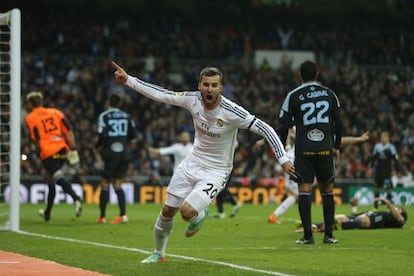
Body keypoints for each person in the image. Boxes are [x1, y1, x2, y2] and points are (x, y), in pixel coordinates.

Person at [111, 61, 295, 263]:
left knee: (187, 211)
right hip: (192, 163)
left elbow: (267, 129)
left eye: (214, 85)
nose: (209, 89)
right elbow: (162, 94)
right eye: (206, 84)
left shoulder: (232, 111)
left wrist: (283, 158)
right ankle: (159, 253)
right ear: (199, 85)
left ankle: (199, 215)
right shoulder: (192, 99)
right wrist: (129, 80)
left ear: (221, 88)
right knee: (167, 211)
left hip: (216, 171)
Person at [277, 60, 343, 244]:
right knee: (327, 191)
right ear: (318, 73)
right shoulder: (330, 94)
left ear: (299, 74)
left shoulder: (293, 95)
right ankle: (329, 235)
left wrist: (281, 150)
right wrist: (337, 146)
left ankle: (308, 236)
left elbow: (283, 125)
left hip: (304, 148)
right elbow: (339, 123)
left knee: (304, 190)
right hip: (324, 148)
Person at [254, 129, 369, 224]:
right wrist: (359, 139)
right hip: (298, 165)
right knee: (303, 194)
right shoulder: (320, 134)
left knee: (300, 193)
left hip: (291, 162)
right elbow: (341, 141)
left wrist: (264, 141)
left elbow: (285, 132)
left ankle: (282, 195)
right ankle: (279, 216)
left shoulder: (301, 132)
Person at [24, 91, 82, 221]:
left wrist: (40, 153)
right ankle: (47, 213)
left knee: (57, 176)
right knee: (51, 181)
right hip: (62, 149)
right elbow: (68, 130)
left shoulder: (30, 117)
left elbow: (36, 138)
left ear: (30, 104)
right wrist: (73, 148)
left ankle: (75, 198)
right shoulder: (55, 112)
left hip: (48, 151)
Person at [94, 92, 136, 224]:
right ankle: (123, 215)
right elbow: (132, 134)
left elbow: (102, 135)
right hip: (124, 153)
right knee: (118, 184)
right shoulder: (126, 116)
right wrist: (122, 140)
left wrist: (97, 147)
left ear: (108, 103)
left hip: (110, 153)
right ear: (120, 104)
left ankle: (102, 217)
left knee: (105, 183)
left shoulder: (104, 116)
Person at [299, 198, 407, 232]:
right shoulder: (387, 213)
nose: (396, 208)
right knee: (339, 217)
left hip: (367, 221)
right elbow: (355, 215)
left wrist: (387, 202)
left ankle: (326, 228)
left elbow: (399, 218)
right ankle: (311, 226)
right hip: (359, 217)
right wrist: (354, 206)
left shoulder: (398, 221)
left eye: (398, 209)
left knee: (361, 222)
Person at [371, 131, 399, 210]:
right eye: (382, 136)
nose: (383, 138)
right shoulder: (377, 146)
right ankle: (376, 206)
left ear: (388, 138)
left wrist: (396, 169)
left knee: (388, 188)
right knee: (377, 188)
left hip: (387, 170)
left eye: (385, 137)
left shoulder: (391, 147)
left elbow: (395, 158)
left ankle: (389, 206)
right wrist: (371, 167)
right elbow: (373, 158)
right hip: (379, 170)